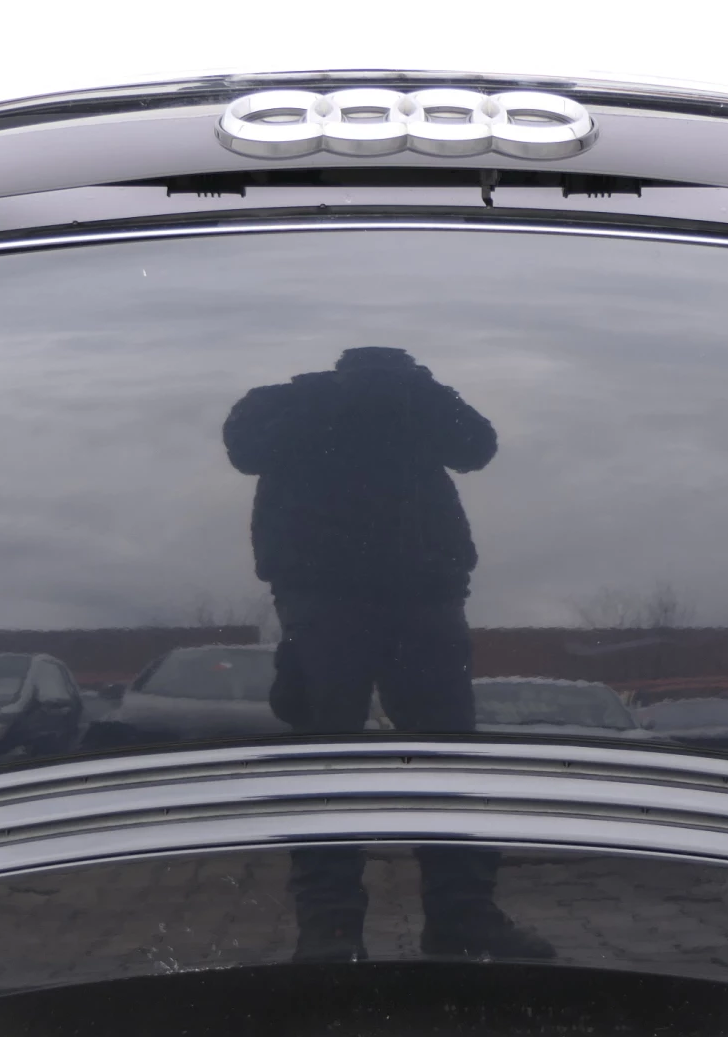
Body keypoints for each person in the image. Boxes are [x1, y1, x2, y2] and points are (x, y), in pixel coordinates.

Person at [223, 347, 554, 963]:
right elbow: (246, 448)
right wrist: (339, 399)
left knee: (443, 760)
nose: (376, 379)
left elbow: (476, 446)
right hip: (327, 598)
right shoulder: (295, 398)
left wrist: (419, 391)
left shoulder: (417, 404)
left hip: (419, 597)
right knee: (327, 762)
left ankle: (453, 918)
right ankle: (333, 929)